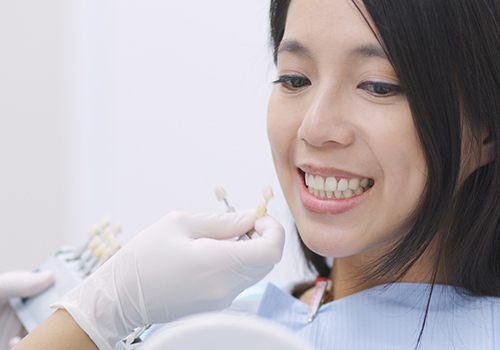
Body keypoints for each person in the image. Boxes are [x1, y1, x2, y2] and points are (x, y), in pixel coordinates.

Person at [13, 0, 500, 349]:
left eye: (378, 86)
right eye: (294, 79)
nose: (316, 127)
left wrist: (96, 317)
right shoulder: (228, 315)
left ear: (486, 132)